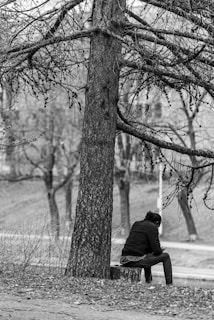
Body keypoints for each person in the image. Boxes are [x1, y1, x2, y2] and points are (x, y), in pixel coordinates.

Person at [120, 211, 173, 285]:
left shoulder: (136, 224)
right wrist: (161, 250)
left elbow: (141, 246)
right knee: (166, 256)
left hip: (124, 259)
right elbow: (157, 251)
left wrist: (152, 250)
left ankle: (148, 281)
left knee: (147, 255)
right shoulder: (152, 227)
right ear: (157, 222)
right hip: (135, 261)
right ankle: (169, 284)